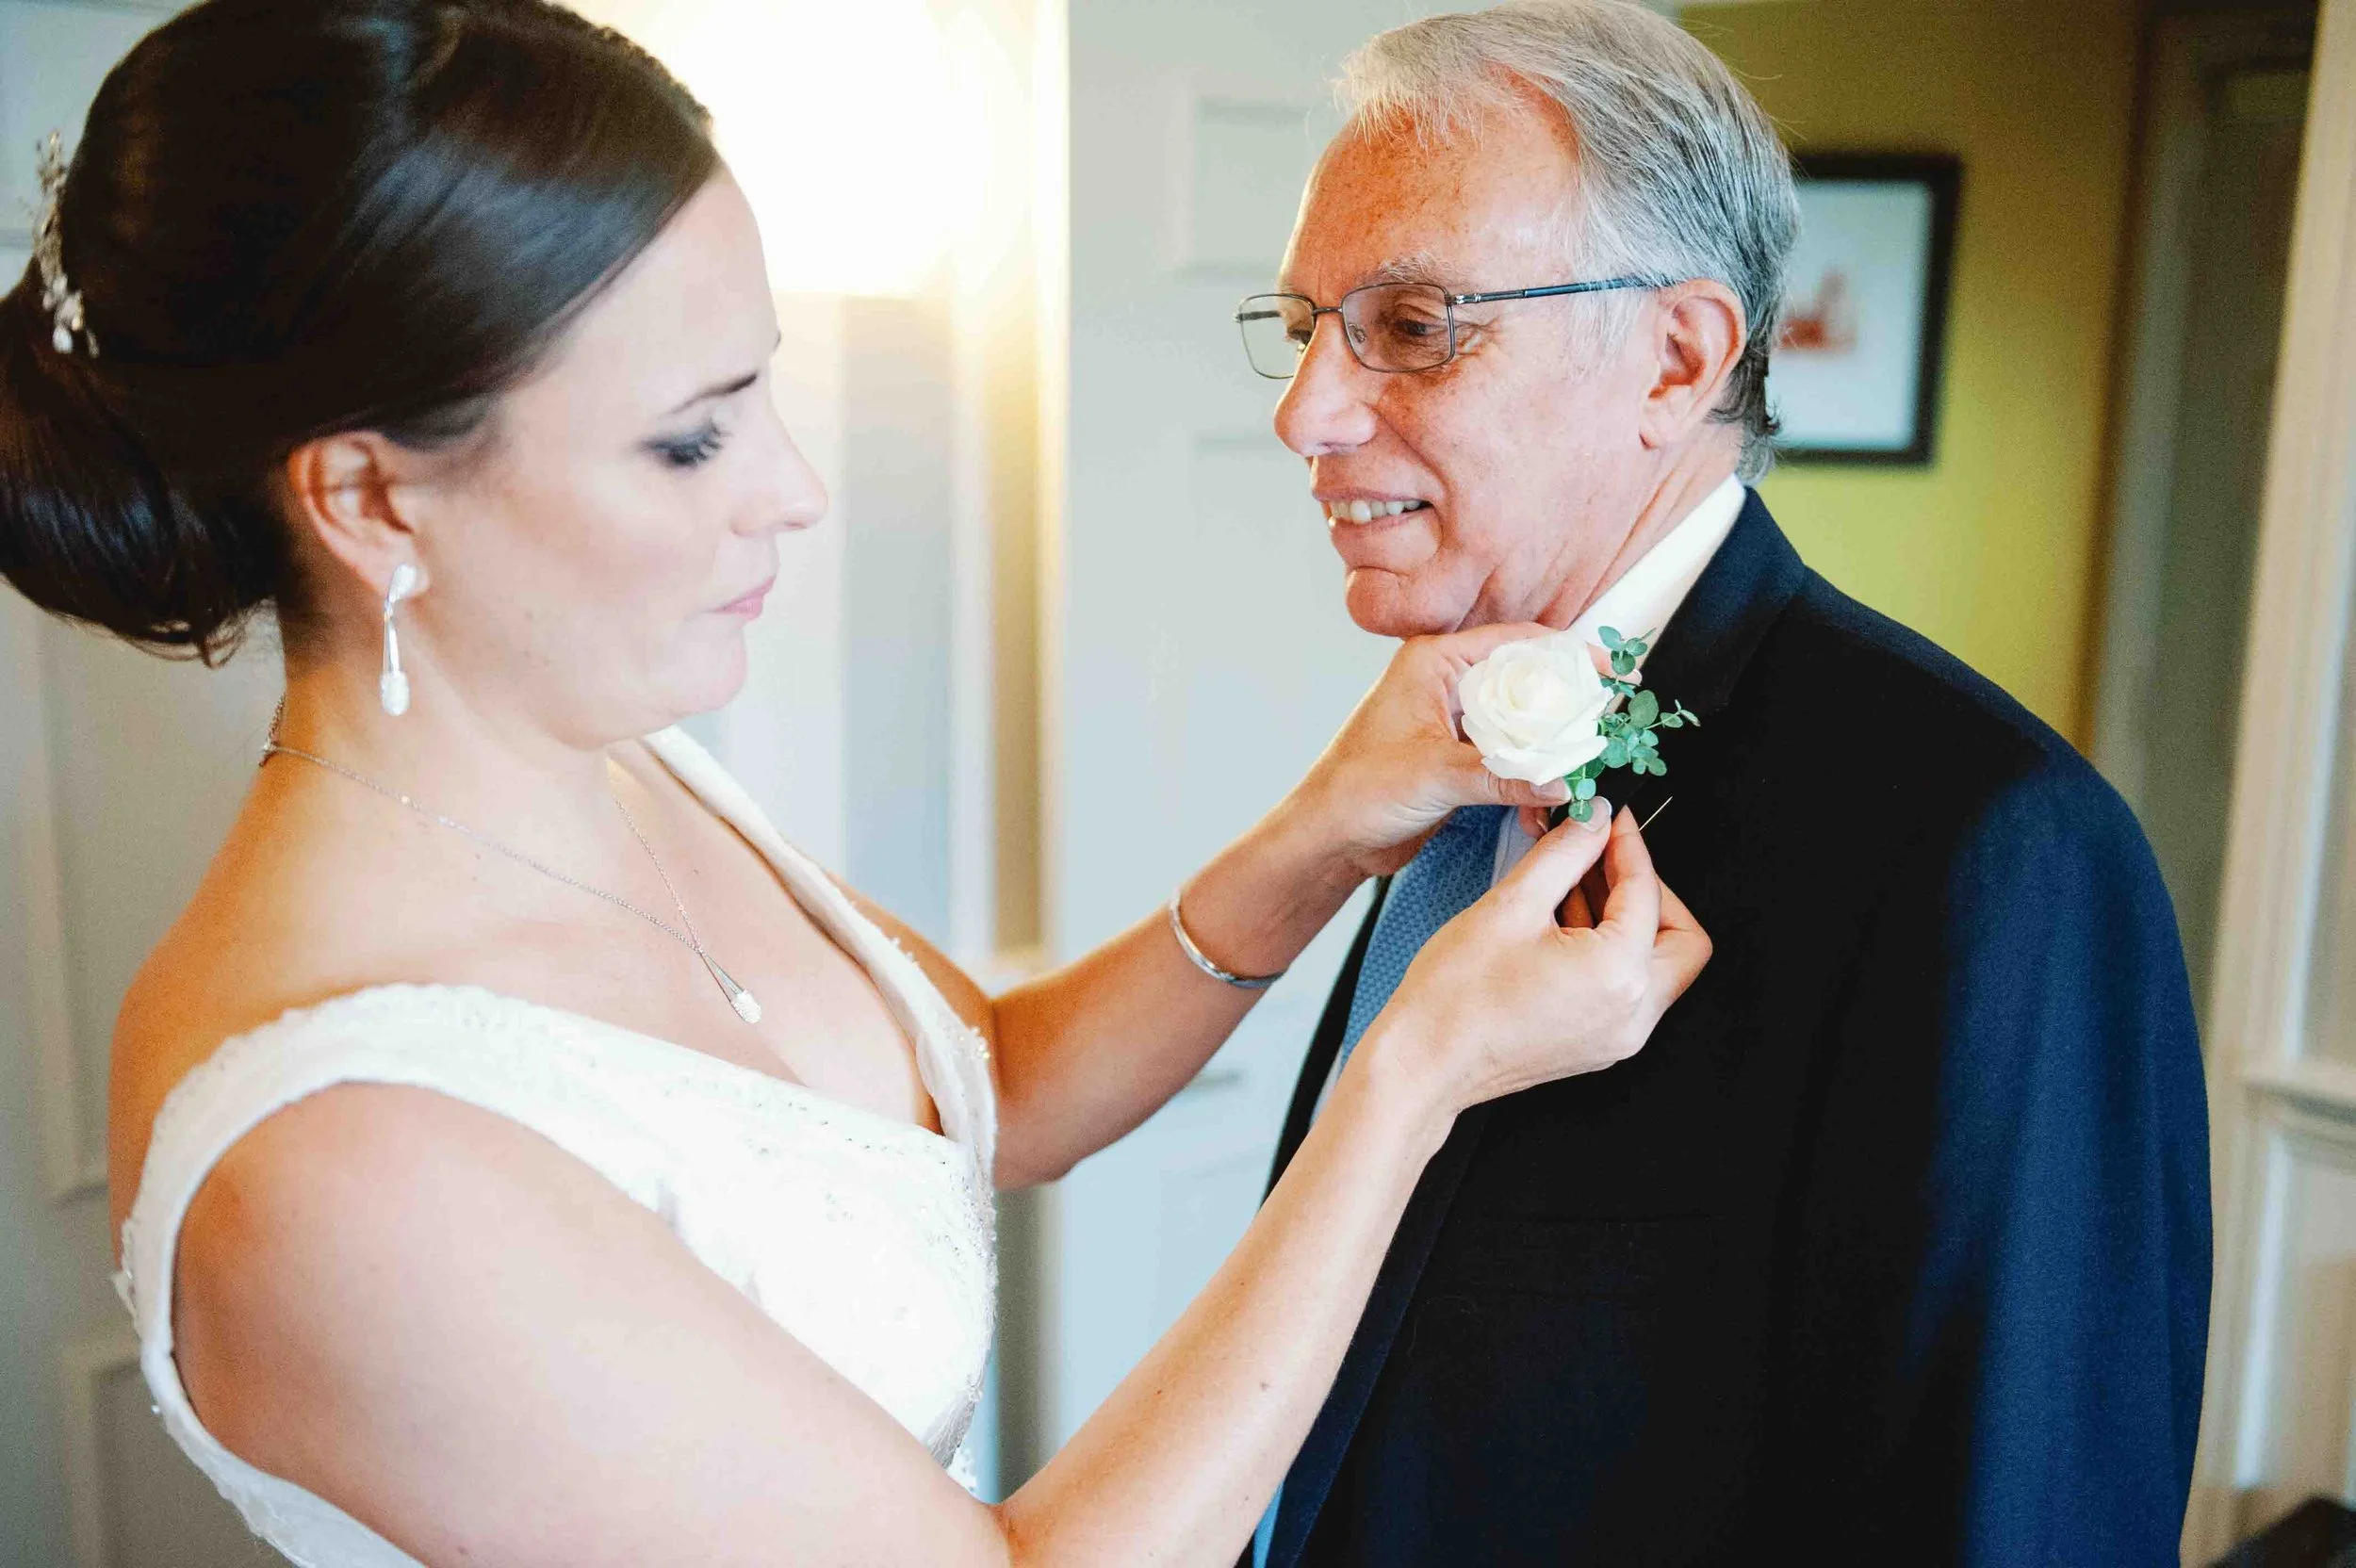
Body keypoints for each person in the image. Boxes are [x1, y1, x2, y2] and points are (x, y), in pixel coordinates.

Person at [0, 2, 1711, 1564]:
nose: (795, 489)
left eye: (767, 391)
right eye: (692, 435)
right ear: (371, 499)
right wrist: (1410, 1079)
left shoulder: (617, 753)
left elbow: (992, 1085)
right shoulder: (345, 1170)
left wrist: (1327, 830)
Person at [1239, 4, 2211, 1564]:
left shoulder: (1990, 850)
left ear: (1676, 359)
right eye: (1302, 329)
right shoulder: (1445, 758)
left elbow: (2021, 1517)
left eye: (1411, 325)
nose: (1308, 411)